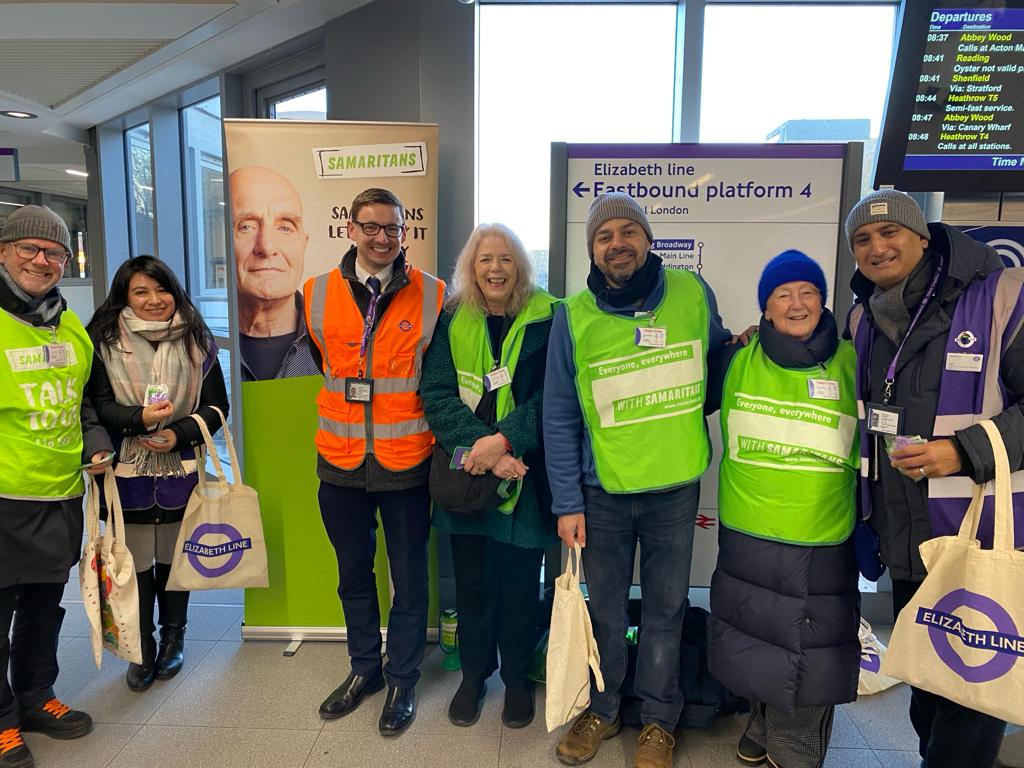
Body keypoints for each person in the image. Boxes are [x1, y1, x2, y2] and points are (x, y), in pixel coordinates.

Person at [544, 192, 731, 768]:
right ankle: (604, 708)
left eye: (628, 231)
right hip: (601, 495)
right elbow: (559, 415)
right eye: (604, 236)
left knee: (666, 609)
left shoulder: (693, 293)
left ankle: (659, 720)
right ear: (592, 251)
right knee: (606, 610)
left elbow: (718, 366)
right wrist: (568, 501)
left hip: (675, 488)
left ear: (647, 240)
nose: (617, 243)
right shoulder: (572, 316)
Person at [845, 189, 1024, 768]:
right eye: (863, 240)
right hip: (906, 535)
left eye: (890, 233)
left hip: (977, 530)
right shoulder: (866, 316)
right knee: (927, 677)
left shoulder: (1001, 298)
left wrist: (964, 451)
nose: (878, 247)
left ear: (923, 237)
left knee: (970, 687)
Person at [706, 250, 860, 768]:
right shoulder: (734, 360)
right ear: (765, 309)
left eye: (807, 292)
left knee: (809, 654)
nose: (796, 303)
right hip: (748, 529)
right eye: (782, 295)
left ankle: (796, 748)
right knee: (755, 637)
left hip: (820, 536)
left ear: (823, 301)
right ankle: (762, 718)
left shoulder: (853, 359)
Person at [306, 187, 445, 737]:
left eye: (392, 228)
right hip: (338, 461)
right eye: (371, 227)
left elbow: (437, 378)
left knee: (409, 581)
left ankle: (403, 678)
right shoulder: (314, 293)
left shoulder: (434, 295)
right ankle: (364, 670)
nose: (382, 237)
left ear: (404, 233)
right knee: (353, 577)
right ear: (352, 229)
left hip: (406, 461)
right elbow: (324, 361)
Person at [420, 223, 557, 729]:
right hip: (469, 475)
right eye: (484, 260)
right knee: (473, 585)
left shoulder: (551, 316)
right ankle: (475, 676)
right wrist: (488, 453)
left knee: (521, 586)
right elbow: (436, 395)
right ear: (470, 269)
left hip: (526, 477)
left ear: (519, 265)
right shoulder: (452, 316)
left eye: (504, 259)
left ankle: (517, 679)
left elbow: (556, 397)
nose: (495, 269)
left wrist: (505, 441)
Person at [0, 205, 113, 768]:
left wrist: (95, 442)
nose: (42, 261)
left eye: (54, 253)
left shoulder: (70, 323)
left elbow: (84, 400)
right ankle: (0, 722)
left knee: (46, 606)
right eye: (30, 249)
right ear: (4, 252)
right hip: (4, 498)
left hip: (62, 494)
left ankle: (35, 696)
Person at [85, 256, 229, 692]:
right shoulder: (102, 340)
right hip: (125, 469)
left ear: (175, 291)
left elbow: (218, 407)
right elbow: (95, 405)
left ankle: (173, 638)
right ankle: (141, 645)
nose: (153, 300)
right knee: (134, 562)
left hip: (180, 467)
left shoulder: (198, 339)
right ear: (123, 297)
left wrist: (179, 434)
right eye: (140, 292)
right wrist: (140, 418)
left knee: (174, 557)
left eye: (160, 290)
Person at [229, 165, 319, 381]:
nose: (267, 247)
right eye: (246, 227)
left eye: (285, 227)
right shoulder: (199, 343)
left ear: (303, 244)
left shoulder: (341, 341)